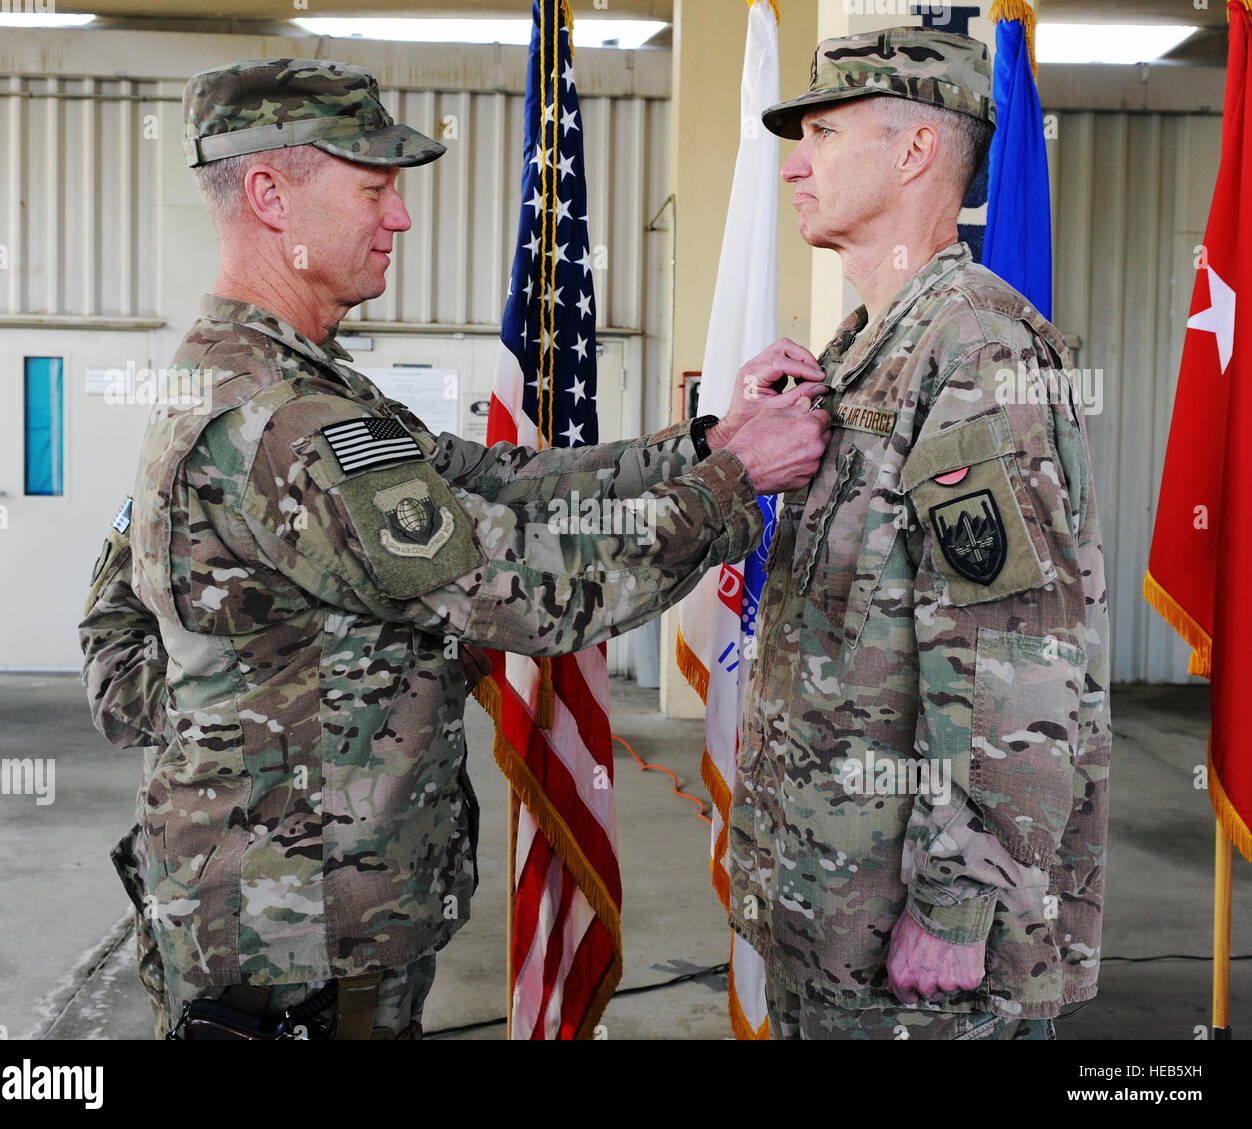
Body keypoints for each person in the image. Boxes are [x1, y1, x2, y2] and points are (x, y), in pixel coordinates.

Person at [79, 56, 833, 1040]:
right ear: (270, 195)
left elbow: (483, 478)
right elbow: (537, 597)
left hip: (305, 911)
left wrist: (698, 446)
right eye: (373, 187)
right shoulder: (285, 425)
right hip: (297, 946)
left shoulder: (276, 382)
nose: (397, 218)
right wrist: (735, 486)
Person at [727, 26, 1111, 1040]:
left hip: (921, 956)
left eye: (822, 131)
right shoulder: (861, 351)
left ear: (914, 153)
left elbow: (1014, 658)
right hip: (835, 906)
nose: (795, 163)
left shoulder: (974, 349)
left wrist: (955, 902)